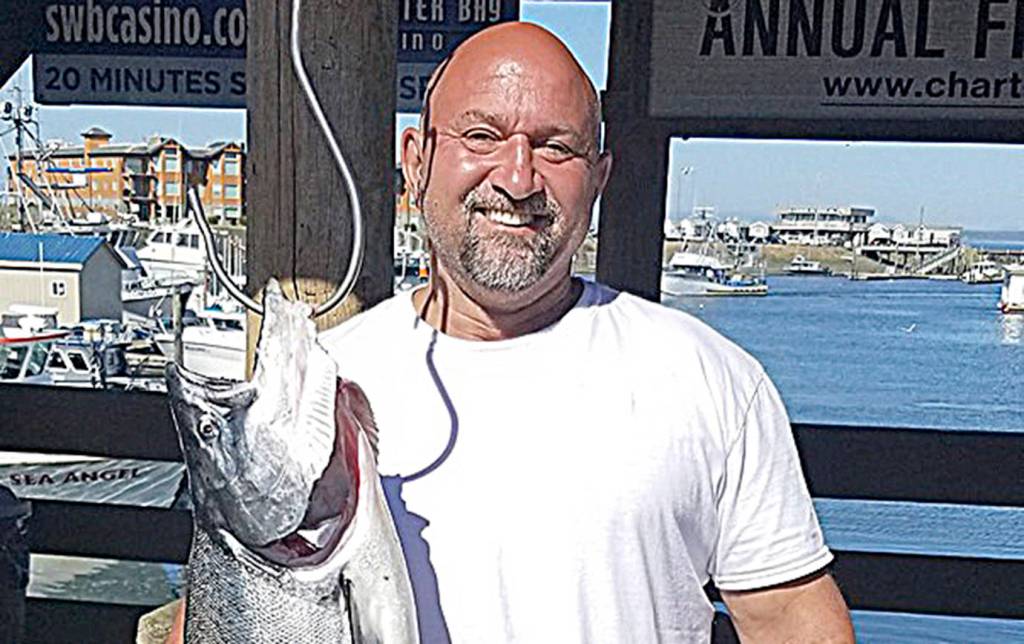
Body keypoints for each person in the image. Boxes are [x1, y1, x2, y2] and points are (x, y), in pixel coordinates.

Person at [169, 21, 853, 643]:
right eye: (482, 136)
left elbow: (792, 618)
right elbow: (220, 609)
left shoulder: (708, 376)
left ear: (600, 179)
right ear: (416, 161)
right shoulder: (324, 394)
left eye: (555, 147)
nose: (518, 176)